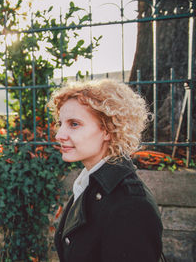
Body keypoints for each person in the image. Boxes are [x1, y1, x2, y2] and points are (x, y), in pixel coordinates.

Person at [48, 79, 163, 262]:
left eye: (74, 124)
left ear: (108, 130)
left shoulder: (130, 205)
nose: (59, 135)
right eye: (60, 123)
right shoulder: (89, 183)